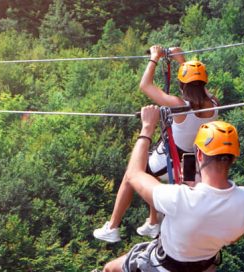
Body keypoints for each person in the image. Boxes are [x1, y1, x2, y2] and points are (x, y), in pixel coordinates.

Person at [102, 107, 244, 272]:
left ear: (199, 155)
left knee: (109, 269)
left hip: (161, 266)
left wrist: (147, 128)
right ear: (233, 158)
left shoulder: (180, 199)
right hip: (204, 266)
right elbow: (233, 237)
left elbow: (133, 174)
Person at [94, 45, 220, 242]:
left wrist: (154, 58)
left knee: (132, 173)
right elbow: (198, 85)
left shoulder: (179, 106)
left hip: (173, 157)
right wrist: (181, 60)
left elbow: (145, 85)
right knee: (152, 174)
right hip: (192, 159)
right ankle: (153, 222)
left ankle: (112, 226)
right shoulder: (214, 103)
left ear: (182, 84)